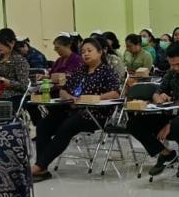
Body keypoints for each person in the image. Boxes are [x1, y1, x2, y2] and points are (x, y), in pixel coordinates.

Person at [30, 37, 121, 182]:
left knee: (67, 127)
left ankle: (38, 166)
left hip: (95, 113)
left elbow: (115, 93)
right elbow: (63, 90)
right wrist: (69, 97)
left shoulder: (107, 71)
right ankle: (43, 169)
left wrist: (94, 98)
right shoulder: (80, 70)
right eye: (83, 51)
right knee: (44, 125)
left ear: (100, 52)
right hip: (72, 109)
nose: (86, 54)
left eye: (89, 51)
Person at [127, 41, 179, 178]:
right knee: (133, 123)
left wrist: (170, 124)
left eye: (178, 64)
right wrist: (159, 97)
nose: (175, 68)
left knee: (178, 124)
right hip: (173, 114)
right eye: (172, 64)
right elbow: (157, 92)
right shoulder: (172, 73)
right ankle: (166, 154)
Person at [0, 28, 30, 110]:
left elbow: (23, 86)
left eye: (1, 43)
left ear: (12, 43)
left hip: (13, 97)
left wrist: (1, 80)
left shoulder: (19, 60)